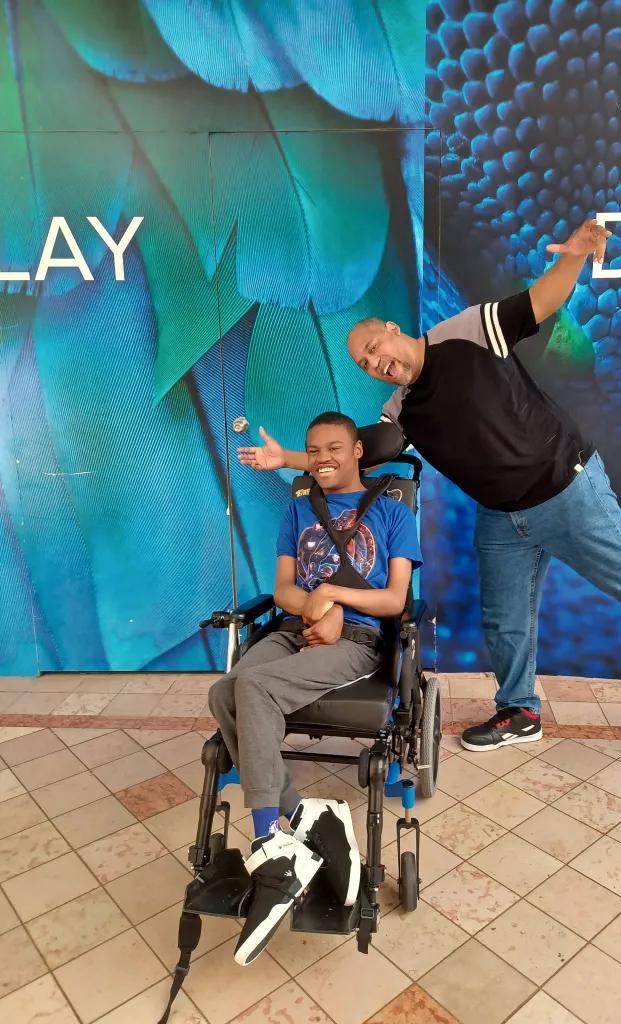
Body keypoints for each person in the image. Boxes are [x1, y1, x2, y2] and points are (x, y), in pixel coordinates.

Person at [237, 220, 621, 751]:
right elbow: (354, 452)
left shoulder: (468, 329)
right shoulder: (400, 411)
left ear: (391, 328)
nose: (375, 363)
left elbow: (539, 302)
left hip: (565, 487)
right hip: (503, 516)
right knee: (505, 620)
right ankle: (518, 710)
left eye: (373, 347)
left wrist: (574, 255)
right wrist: (287, 458)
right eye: (365, 364)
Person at [209, 411, 421, 966]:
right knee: (223, 693)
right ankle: (307, 818)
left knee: (254, 687)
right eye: (313, 450)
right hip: (297, 627)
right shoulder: (298, 509)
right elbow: (282, 589)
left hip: (358, 639)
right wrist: (314, 608)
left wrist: (335, 600)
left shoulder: (395, 512)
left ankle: (272, 847)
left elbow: (395, 600)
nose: (323, 459)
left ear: (357, 451)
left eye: (335, 448)